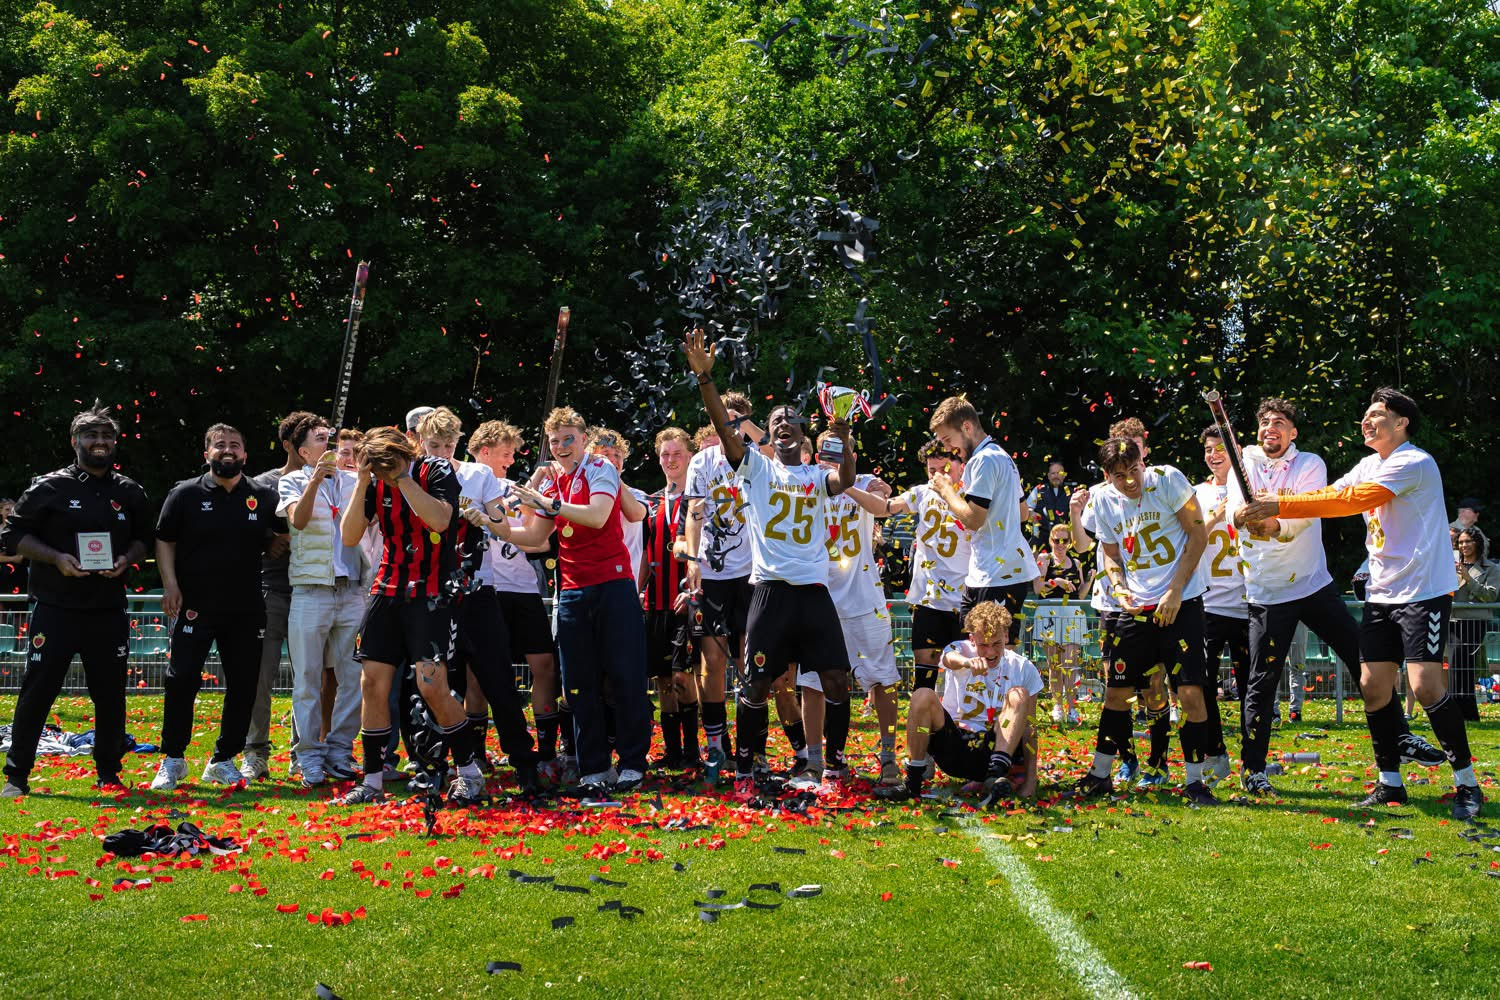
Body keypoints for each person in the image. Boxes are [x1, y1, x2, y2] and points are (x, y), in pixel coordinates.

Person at [1242, 387, 1483, 819]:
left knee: (1425, 686)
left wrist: (1278, 504)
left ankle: (1467, 782)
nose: (1366, 421)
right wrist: (1276, 521)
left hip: (1423, 591)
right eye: (1366, 415)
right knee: (1372, 686)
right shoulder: (1369, 463)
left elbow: (1351, 500)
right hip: (1382, 593)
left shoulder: (1414, 461)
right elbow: (1332, 492)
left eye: (1376, 414)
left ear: (1401, 422)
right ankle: (1390, 783)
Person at [682, 329, 857, 798]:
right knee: (756, 684)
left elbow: (846, 479)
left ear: (802, 432)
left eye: (790, 419)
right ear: (767, 432)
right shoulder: (756, 467)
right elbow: (724, 429)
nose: (783, 424)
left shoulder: (816, 474)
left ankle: (834, 768)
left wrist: (844, 438)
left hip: (813, 591)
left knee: (837, 679)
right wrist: (705, 379)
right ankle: (745, 768)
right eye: (775, 419)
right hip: (770, 591)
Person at [1, 403, 152, 798]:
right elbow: (12, 536)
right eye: (91, 435)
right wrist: (56, 558)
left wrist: (126, 559)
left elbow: (144, 540)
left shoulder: (129, 491)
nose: (99, 442)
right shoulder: (48, 487)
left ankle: (109, 774)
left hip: (108, 609)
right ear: (74, 441)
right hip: (56, 607)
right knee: (38, 692)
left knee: (111, 694)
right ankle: (17, 776)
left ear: (115, 442)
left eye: (106, 436)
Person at [502, 407, 652, 795]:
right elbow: (535, 538)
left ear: (584, 439)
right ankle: (594, 768)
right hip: (571, 590)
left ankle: (633, 764)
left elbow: (598, 516)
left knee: (624, 677)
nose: (562, 446)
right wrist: (492, 525)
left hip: (613, 584)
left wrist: (548, 504)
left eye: (569, 438)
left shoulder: (600, 467)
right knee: (578, 685)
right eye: (554, 441)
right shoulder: (553, 483)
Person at [337, 427, 486, 805]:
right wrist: (363, 481)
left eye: (387, 462)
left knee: (431, 684)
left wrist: (402, 477)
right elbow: (350, 536)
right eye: (377, 465)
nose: (383, 471)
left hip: (432, 591)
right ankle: (371, 782)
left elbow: (440, 520)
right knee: (372, 683)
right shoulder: (372, 481)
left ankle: (469, 772)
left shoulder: (434, 469)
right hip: (387, 587)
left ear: (406, 451)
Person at [1075, 437, 1221, 805]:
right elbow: (1110, 555)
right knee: (1117, 692)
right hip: (1136, 609)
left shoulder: (1168, 479)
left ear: (1144, 460)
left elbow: (1198, 533)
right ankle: (1100, 774)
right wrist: (1119, 588)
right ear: (1106, 476)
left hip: (1181, 601)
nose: (1129, 481)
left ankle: (1195, 781)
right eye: (1119, 475)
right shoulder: (1103, 500)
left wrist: (1175, 591)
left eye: (1134, 470)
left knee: (1189, 693)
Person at [417, 407, 539, 792]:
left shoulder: (478, 475)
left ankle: (524, 763)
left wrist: (483, 519)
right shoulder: (413, 475)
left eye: (448, 446)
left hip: (477, 588)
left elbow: (504, 528)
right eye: (434, 446)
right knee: (435, 683)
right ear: (421, 442)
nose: (441, 453)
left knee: (498, 679)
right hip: (433, 592)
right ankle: (439, 763)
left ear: (458, 442)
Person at [149, 424, 277, 790]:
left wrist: (278, 543)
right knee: (181, 679)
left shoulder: (263, 496)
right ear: (207, 454)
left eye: (235, 445)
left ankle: (223, 759)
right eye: (220, 445)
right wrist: (170, 586)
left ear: (245, 454)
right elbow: (164, 540)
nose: (228, 450)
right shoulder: (185, 493)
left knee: (244, 684)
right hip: (195, 605)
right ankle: (173, 759)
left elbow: (280, 535)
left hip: (247, 608)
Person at [794, 431, 898, 789]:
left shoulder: (865, 482)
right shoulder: (806, 483)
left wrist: (846, 483)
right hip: (819, 598)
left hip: (864, 597)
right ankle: (815, 761)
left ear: (852, 455)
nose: (832, 459)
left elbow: (881, 506)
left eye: (841, 452)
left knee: (883, 678)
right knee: (811, 683)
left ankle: (888, 757)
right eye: (827, 452)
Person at [470, 420, 566, 782]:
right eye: (506, 453)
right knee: (477, 674)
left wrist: (511, 522)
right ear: (485, 452)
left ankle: (546, 752)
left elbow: (540, 542)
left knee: (544, 666)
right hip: (485, 588)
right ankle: (475, 754)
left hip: (524, 588)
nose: (511, 460)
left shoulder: (516, 489)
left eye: (513, 453)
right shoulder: (464, 485)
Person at [874, 601, 1040, 805]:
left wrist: (1031, 781)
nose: (990, 652)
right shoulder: (961, 650)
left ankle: (994, 778)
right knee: (922, 694)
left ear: (1006, 636)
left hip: (999, 749)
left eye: (996, 643)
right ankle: (912, 783)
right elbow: (948, 657)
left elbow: (1030, 728)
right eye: (983, 645)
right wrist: (968, 663)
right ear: (972, 639)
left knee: (1019, 695)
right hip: (959, 745)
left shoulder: (1023, 667)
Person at [277, 414, 367, 786]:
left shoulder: (352, 482)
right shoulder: (292, 481)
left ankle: (340, 751)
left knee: (353, 678)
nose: (327, 445)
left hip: (351, 590)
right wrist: (314, 480)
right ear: (303, 452)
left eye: (327, 437)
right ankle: (308, 756)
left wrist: (363, 477)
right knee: (307, 679)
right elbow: (297, 521)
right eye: (319, 439)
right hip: (311, 590)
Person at [681, 393, 764, 779]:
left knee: (751, 663)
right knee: (712, 662)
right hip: (713, 575)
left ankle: (753, 749)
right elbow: (695, 512)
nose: (725, 425)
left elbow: (774, 447)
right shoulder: (701, 461)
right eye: (720, 419)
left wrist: (742, 423)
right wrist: (693, 558)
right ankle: (716, 747)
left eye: (733, 420)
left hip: (752, 574)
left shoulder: (758, 457)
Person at [928, 397, 1038, 641]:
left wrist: (946, 490)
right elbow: (1023, 513)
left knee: (992, 653)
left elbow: (973, 520)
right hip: (990, 573)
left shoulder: (984, 460)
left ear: (966, 427)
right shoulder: (1002, 456)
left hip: (997, 574)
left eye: (947, 439)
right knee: (972, 648)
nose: (948, 448)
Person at [242, 412, 309, 781]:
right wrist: (270, 539)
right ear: (287, 445)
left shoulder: (329, 481)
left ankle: (304, 753)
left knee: (309, 679)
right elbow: (242, 530)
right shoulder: (262, 485)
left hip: (312, 592)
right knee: (259, 678)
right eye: (304, 440)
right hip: (270, 591)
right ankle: (255, 752)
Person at [883, 440, 971, 691]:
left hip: (964, 596)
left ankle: (958, 715)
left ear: (960, 466)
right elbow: (888, 507)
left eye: (944, 469)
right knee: (925, 665)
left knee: (964, 667)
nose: (937, 477)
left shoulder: (972, 496)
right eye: (932, 470)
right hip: (929, 596)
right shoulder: (921, 493)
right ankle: (923, 713)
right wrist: (857, 490)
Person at [639, 427, 699, 769]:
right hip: (655, 603)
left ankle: (692, 751)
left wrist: (693, 590)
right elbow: (645, 552)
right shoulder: (651, 502)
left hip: (686, 602)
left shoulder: (699, 498)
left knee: (682, 677)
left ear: (690, 457)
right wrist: (637, 589)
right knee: (663, 680)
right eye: (665, 454)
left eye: (677, 454)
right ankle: (673, 752)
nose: (671, 460)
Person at [1196, 424, 1249, 763]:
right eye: (1208, 450)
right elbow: (1189, 539)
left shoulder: (1252, 488)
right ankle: (1215, 752)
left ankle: (1252, 759)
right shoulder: (1195, 493)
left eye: (1221, 449)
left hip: (1249, 604)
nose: (1213, 455)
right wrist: (1217, 514)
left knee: (1251, 687)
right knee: (1203, 683)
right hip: (1210, 604)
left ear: (1237, 452)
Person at [1032, 523, 1090, 725]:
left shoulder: (1076, 562)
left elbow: (1080, 595)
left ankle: (1072, 707)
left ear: (1070, 542)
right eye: (1057, 540)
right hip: (1049, 615)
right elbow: (1038, 588)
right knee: (1055, 665)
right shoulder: (1044, 559)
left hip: (1072, 615)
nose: (1061, 544)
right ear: (1051, 541)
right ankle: (1057, 706)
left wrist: (1089, 582)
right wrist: (1057, 582)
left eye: (1065, 540)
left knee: (1071, 664)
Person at [1453, 526, 1499, 720]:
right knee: (1455, 666)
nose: (1463, 545)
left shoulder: (1491, 568)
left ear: (1477, 543)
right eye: (1460, 542)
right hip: (1452, 620)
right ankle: (1458, 712)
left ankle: (1468, 713)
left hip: (1474, 622)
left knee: (1464, 666)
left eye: (1467, 541)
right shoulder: (1451, 565)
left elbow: (1490, 596)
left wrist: (1468, 578)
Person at [1026, 461, 1073, 546]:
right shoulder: (1039, 490)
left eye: (1059, 473)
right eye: (1053, 473)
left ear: (1064, 475)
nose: (1056, 476)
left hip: (1064, 539)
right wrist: (1031, 513)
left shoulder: (1071, 492)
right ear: (1048, 476)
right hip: (1041, 536)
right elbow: (1027, 508)